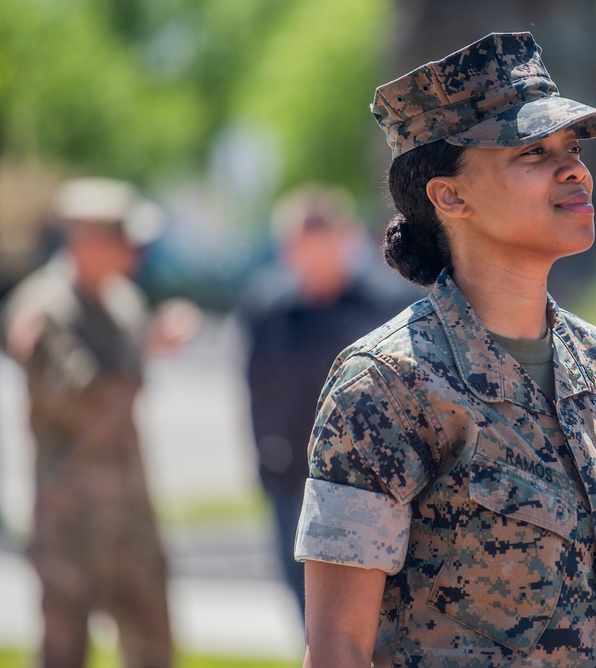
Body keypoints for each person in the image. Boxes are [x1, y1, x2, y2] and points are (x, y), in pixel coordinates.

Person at [293, 32, 596, 667]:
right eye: (532, 152)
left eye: (574, 147)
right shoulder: (387, 387)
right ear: (451, 196)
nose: (575, 170)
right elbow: (338, 646)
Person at [0, 177, 197, 668]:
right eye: (124, 238)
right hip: (70, 518)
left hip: (130, 511)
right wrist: (148, 350)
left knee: (153, 645)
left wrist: (145, 344)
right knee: (64, 652)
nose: (135, 250)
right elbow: (81, 404)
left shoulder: (122, 300)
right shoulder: (44, 310)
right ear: (87, 242)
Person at [239, 184, 411, 620]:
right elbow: (254, 390)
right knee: (309, 614)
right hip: (291, 481)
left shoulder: (386, 305)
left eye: (320, 246)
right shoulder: (268, 309)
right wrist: (264, 466)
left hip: (372, 486)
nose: (309, 259)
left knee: (374, 616)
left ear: (343, 241)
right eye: (298, 248)